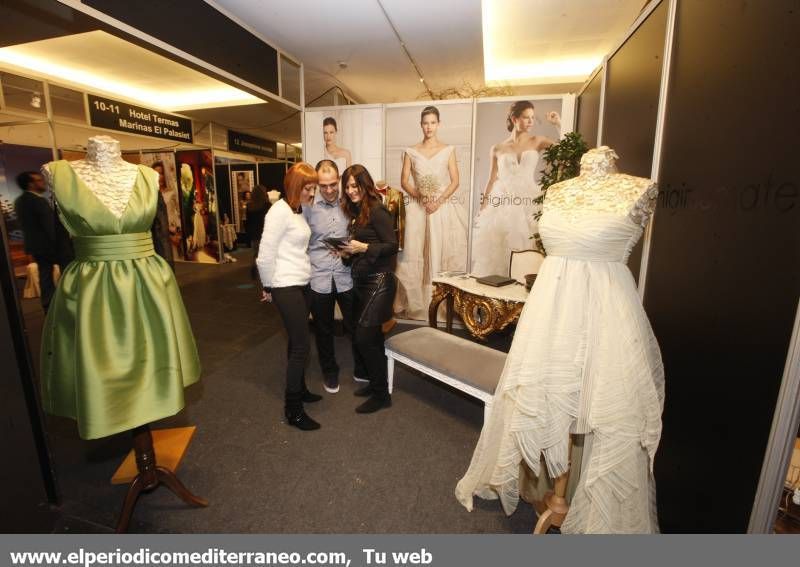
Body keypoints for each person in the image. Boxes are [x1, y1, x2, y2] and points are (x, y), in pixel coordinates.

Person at [256, 162, 323, 431]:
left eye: (314, 187)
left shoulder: (298, 211)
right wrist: (269, 288)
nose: (312, 192)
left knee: (297, 342)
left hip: (301, 282)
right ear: (297, 186)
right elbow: (264, 256)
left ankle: (301, 388)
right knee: (301, 347)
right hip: (285, 285)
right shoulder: (278, 212)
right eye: (309, 188)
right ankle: (293, 409)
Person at [471, 101, 560, 276]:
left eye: (532, 118)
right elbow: (491, 179)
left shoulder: (537, 141)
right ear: (514, 118)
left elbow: (564, 150)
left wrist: (558, 123)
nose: (531, 121)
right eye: (526, 117)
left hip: (529, 201)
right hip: (503, 201)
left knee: (528, 246)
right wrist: (483, 206)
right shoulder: (497, 148)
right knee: (498, 250)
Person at [397, 105, 468, 319]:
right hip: (418, 207)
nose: (429, 127)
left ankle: (439, 303)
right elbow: (404, 181)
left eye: (433, 123)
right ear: (421, 125)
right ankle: (419, 302)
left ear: (438, 124)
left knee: (440, 251)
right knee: (416, 252)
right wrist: (420, 196)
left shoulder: (448, 150)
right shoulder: (411, 151)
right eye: (425, 123)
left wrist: (438, 201)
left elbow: (455, 181)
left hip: (442, 208)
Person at [303, 160, 368, 394]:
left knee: (355, 325)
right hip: (319, 277)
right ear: (316, 183)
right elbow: (301, 241)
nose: (329, 190)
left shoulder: (349, 204)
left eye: (333, 184)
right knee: (323, 329)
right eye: (323, 185)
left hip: (345, 275)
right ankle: (330, 372)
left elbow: (361, 232)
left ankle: (361, 367)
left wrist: (348, 247)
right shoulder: (308, 206)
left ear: (339, 179)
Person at [340, 165, 398, 413]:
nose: (350, 190)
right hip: (363, 283)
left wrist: (363, 248)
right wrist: (345, 252)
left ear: (366, 185)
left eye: (355, 185)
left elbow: (392, 246)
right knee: (371, 338)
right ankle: (378, 386)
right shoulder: (356, 213)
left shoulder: (377, 210)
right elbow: (358, 249)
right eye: (348, 186)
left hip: (380, 282)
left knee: (364, 337)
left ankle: (382, 396)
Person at [14, 171, 68, 312]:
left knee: (45, 275)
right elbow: (50, 226)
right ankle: (67, 300)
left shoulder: (19, 201)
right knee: (67, 271)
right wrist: (61, 244)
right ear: (31, 183)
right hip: (50, 246)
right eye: (39, 180)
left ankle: (48, 304)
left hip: (35, 247)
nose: (42, 182)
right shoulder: (38, 201)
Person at [246, 184, 270, 278]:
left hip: (254, 232)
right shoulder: (267, 205)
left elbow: (248, 221)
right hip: (264, 232)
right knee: (265, 253)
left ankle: (254, 267)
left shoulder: (249, 206)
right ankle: (264, 272)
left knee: (256, 252)